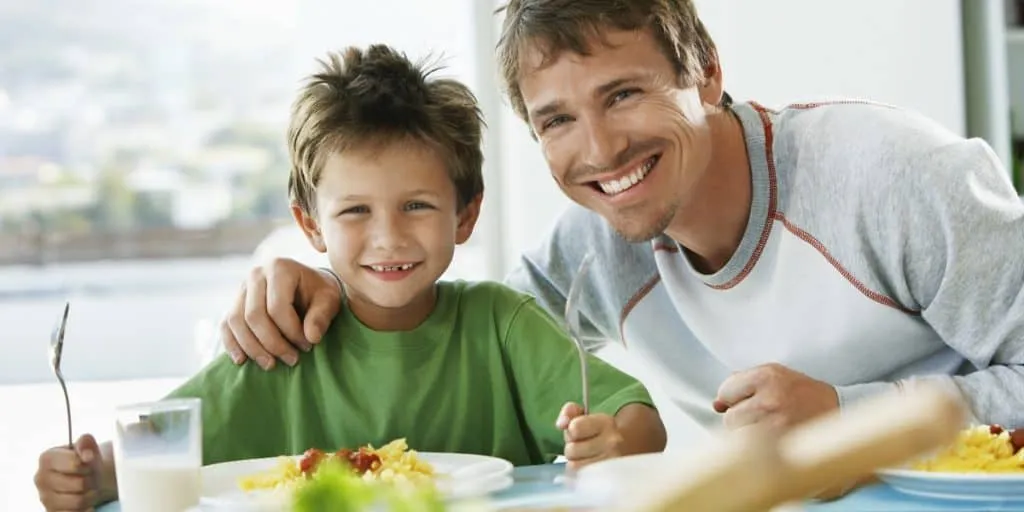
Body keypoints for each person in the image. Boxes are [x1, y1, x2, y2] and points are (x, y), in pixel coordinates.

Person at [224, 1, 1024, 432]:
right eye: (557, 121)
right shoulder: (590, 257)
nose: (601, 150)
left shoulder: (889, 176)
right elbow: (454, 336)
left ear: (706, 75)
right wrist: (315, 282)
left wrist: (845, 414)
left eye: (624, 94)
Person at [33, 44, 666, 512]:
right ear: (311, 226)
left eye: (417, 206)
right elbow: (159, 454)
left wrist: (613, 441)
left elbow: (637, 418)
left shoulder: (501, 325)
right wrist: (90, 478)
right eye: (355, 211)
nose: (388, 237)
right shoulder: (282, 343)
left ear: (466, 214)